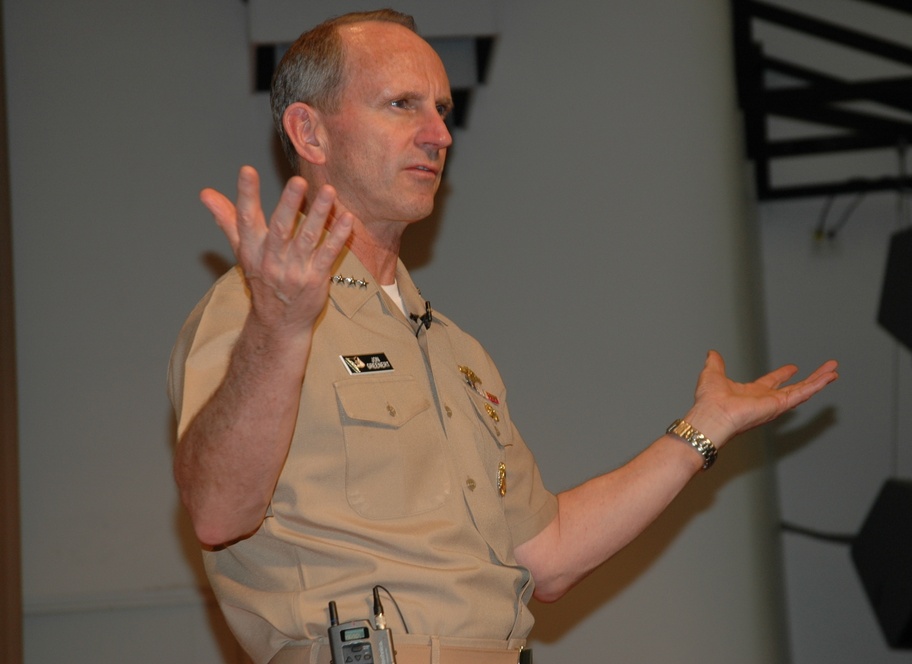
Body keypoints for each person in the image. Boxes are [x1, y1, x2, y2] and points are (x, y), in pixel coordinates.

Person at [168, 9, 838, 664]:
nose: (439, 135)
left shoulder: (456, 350)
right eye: (402, 105)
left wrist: (704, 428)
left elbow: (547, 556)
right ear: (310, 133)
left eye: (443, 109)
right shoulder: (257, 312)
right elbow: (218, 513)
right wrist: (281, 328)